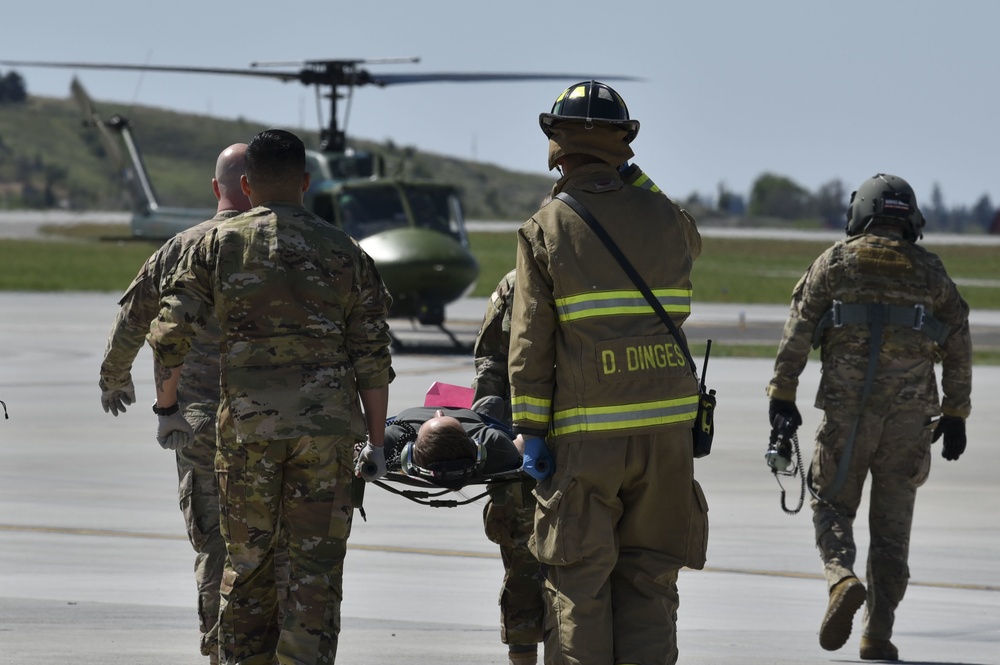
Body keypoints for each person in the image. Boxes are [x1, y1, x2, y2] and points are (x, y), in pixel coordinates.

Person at [147, 129, 394, 665]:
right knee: (315, 570)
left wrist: (168, 409)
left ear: (245, 185)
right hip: (328, 439)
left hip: (248, 435)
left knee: (248, 563)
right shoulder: (347, 253)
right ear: (306, 183)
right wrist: (375, 445)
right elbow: (373, 360)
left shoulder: (218, 245)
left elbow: (169, 335)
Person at [507, 81, 708, 665]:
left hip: (586, 440)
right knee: (649, 583)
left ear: (555, 145)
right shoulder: (669, 219)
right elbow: (689, 235)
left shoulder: (547, 226)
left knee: (579, 586)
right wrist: (633, 180)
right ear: (626, 145)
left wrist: (531, 429)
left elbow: (529, 342)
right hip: (668, 434)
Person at [766, 173, 972, 662]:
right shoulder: (930, 272)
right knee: (892, 528)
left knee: (831, 505)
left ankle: (841, 577)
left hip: (847, 413)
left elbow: (798, 328)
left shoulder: (836, 262)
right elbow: (960, 341)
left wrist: (782, 394)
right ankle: (877, 632)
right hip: (909, 423)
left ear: (861, 212)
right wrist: (956, 411)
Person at [98, 142, 251, 664]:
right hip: (283, 422)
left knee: (216, 543)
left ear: (217, 189)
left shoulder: (182, 247)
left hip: (201, 423)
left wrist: (115, 378)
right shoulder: (286, 248)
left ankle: (220, 652)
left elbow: (135, 318)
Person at [472, 268, 546, 665]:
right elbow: (491, 364)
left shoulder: (518, 282)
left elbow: (489, 364)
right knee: (523, 565)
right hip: (529, 447)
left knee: (524, 567)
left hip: (528, 444)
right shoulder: (518, 282)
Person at [385, 399, 523, 486]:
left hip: (403, 419)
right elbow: (522, 443)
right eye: (458, 425)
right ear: (476, 445)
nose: (439, 412)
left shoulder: (392, 440)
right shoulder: (492, 442)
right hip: (474, 418)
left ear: (408, 452)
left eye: (429, 421)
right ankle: (483, 413)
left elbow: (365, 440)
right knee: (495, 406)